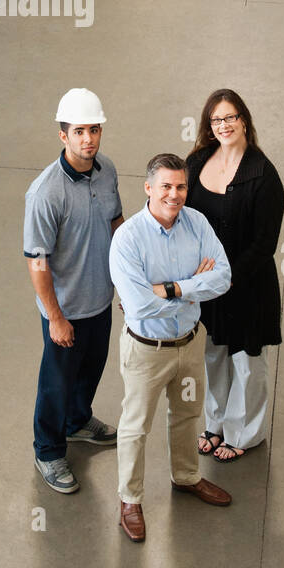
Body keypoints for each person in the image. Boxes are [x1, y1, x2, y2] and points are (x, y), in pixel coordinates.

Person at [109, 154, 233, 542]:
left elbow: (224, 277)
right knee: (135, 426)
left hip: (190, 343)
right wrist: (193, 287)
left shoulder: (196, 223)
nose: (174, 195)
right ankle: (130, 500)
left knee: (187, 414)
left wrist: (172, 288)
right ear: (148, 188)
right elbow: (139, 306)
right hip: (147, 350)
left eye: (180, 187)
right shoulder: (127, 239)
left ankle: (186, 477)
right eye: (165, 186)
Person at [24, 89, 124, 494]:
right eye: (79, 131)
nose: (89, 139)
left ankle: (78, 421)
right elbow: (37, 262)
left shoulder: (108, 170)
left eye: (94, 130)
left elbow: (118, 223)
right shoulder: (46, 193)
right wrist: (56, 317)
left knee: (92, 368)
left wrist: (129, 280)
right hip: (66, 308)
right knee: (56, 383)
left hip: (100, 298)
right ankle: (48, 450)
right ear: (63, 135)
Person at [186, 90, 284, 464]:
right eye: (216, 120)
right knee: (213, 354)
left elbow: (264, 244)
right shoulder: (196, 163)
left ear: (244, 119)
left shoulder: (263, 175)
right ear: (209, 127)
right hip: (207, 282)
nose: (224, 125)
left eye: (230, 117)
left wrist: (227, 278)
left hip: (247, 283)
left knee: (246, 361)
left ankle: (244, 432)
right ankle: (215, 424)